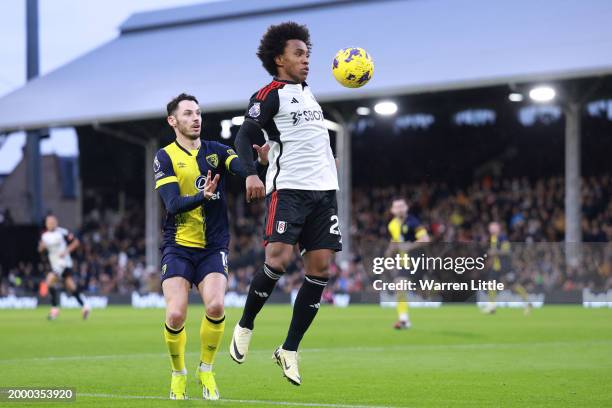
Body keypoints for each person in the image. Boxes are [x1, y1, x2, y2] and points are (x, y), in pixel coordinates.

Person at [230, 22, 341, 386]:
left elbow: (300, 139)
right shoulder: (269, 94)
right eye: (298, 54)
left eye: (308, 53)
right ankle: (246, 325)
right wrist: (251, 172)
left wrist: (327, 161)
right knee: (277, 260)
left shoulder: (309, 94)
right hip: (289, 190)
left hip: (324, 192)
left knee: (321, 269)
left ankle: (289, 349)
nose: (306, 60)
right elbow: (244, 135)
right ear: (279, 59)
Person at [155, 93, 268, 400]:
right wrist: (202, 198)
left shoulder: (216, 151)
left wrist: (257, 165)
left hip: (213, 246)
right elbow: (173, 203)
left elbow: (238, 165)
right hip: (178, 246)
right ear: (173, 121)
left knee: (216, 306)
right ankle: (178, 374)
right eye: (188, 113)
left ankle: (206, 369)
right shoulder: (164, 157)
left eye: (199, 113)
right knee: (176, 315)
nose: (196, 118)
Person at [385, 198, 430, 329]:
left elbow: (426, 239)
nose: (399, 208)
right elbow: (395, 241)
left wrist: (409, 247)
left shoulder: (413, 222)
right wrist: (389, 252)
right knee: (399, 286)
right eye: (397, 206)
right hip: (404, 262)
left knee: (424, 291)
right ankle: (403, 319)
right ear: (392, 210)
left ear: (406, 208)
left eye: (402, 206)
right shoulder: (392, 225)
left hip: (418, 260)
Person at [38, 214, 89, 320]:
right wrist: (41, 248)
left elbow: (76, 242)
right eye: (48, 222)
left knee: (49, 280)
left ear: (56, 222)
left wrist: (66, 251)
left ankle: (54, 310)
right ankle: (85, 306)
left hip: (63, 263)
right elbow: (40, 249)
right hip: (54, 263)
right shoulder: (44, 236)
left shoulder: (62, 232)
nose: (50, 224)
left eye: (52, 222)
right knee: (71, 286)